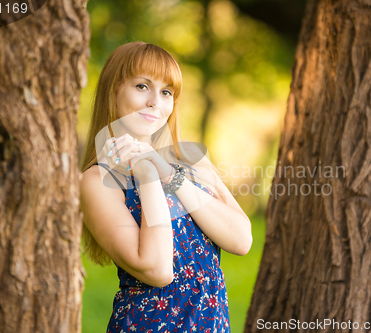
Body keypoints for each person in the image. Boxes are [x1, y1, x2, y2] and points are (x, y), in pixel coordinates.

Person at [78, 41, 252, 332]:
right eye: (142, 86)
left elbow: (241, 239)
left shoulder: (191, 161)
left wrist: (168, 174)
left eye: (166, 92)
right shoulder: (99, 180)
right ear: (114, 90)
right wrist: (146, 172)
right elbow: (157, 269)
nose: (155, 103)